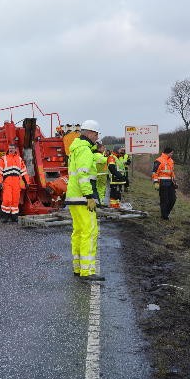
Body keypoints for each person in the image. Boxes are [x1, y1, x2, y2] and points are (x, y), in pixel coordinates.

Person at [66, 120, 104, 282]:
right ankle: (87, 271)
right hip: (83, 198)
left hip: (74, 197)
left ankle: (78, 268)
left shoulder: (77, 148)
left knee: (79, 232)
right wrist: (89, 196)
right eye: (96, 135)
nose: (96, 138)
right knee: (89, 232)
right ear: (90, 133)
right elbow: (83, 175)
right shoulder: (85, 151)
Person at [0, 143, 29, 222]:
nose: (10, 149)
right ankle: (5, 216)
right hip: (7, 182)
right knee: (7, 199)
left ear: (15, 149)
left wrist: (27, 182)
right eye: (9, 148)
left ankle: (14, 216)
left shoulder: (19, 159)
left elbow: (24, 172)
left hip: (16, 183)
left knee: (15, 200)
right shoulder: (3, 159)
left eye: (12, 148)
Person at [152, 147, 177, 220]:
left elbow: (172, 172)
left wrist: (174, 181)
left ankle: (166, 213)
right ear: (167, 153)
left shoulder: (171, 161)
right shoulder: (158, 160)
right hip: (162, 183)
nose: (172, 154)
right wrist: (156, 182)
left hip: (170, 183)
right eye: (171, 153)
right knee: (164, 200)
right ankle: (164, 216)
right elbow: (154, 172)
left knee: (173, 199)